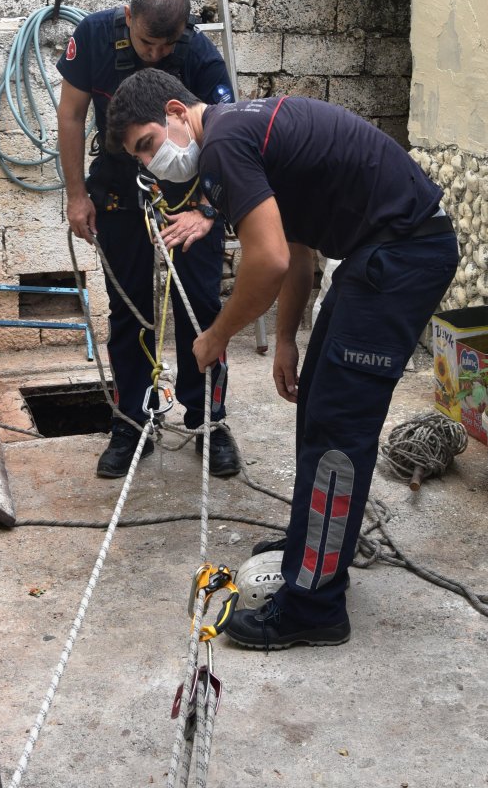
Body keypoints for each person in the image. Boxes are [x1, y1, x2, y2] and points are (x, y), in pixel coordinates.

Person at [106, 68, 459, 650]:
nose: (152, 163)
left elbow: (265, 259)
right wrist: (288, 338)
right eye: (140, 158)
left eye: (148, 144)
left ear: (175, 111)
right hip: (379, 253)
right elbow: (295, 249)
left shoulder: (222, 145)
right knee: (318, 405)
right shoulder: (239, 133)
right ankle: (310, 550)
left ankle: (314, 606)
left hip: (401, 254)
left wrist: (217, 336)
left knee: (337, 428)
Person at [56, 0, 242, 480]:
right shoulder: (93, 37)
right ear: (128, 16)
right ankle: (132, 423)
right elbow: (71, 115)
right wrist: (76, 195)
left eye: (166, 45)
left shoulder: (198, 52)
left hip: (189, 191)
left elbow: (225, 128)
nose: (156, 54)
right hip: (118, 189)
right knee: (130, 309)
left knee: (200, 306)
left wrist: (207, 209)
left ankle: (208, 421)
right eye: (146, 43)